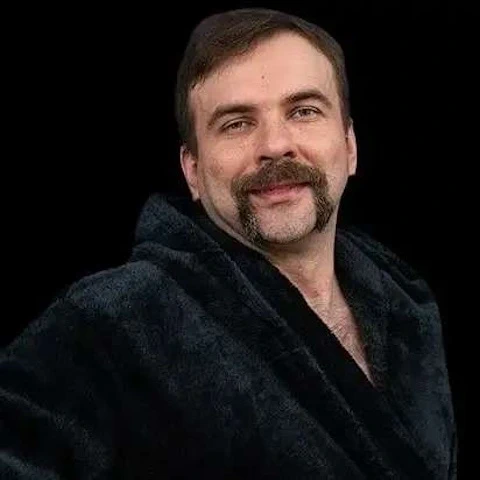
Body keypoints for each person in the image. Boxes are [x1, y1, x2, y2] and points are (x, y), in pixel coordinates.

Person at [1, 8, 456, 479]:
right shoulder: (110, 324)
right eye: (237, 123)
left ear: (350, 145)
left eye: (303, 111)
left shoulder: (406, 307)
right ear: (192, 170)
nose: (275, 145)